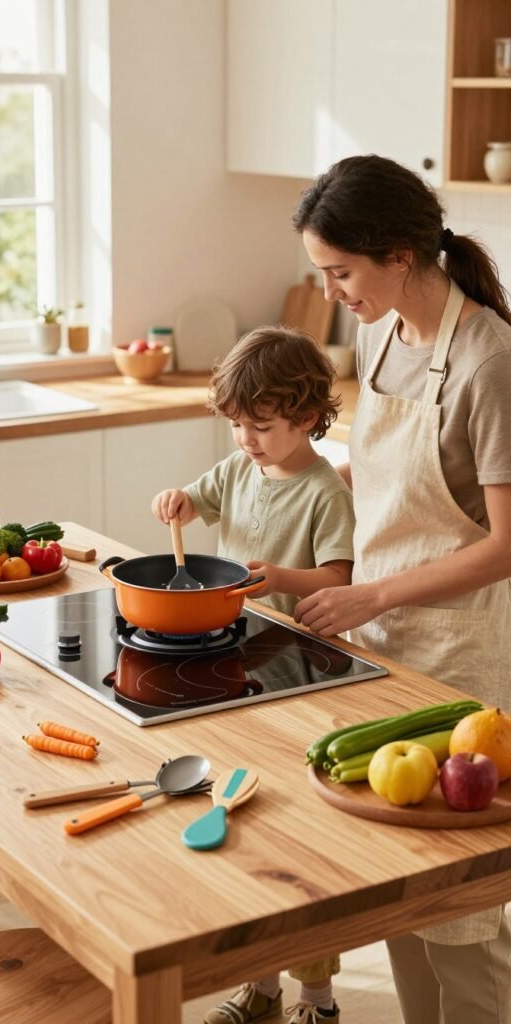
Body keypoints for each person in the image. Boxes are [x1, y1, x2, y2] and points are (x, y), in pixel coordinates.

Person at [292, 154, 511, 1024]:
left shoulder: (488, 361)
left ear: (395, 254)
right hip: (379, 644)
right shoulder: (378, 332)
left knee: (464, 909)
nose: (331, 290)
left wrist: (373, 596)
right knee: (399, 886)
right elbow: (378, 478)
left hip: (459, 651)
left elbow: (505, 545)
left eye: (339, 272)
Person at [152, 325, 354, 1024]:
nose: (245, 439)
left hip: (301, 671)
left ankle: (318, 1000)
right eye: (236, 425)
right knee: (244, 832)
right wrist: (176, 500)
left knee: (297, 844)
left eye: (260, 426)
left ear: (305, 416)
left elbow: (335, 577)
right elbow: (198, 500)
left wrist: (280, 578)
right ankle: (262, 988)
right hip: (238, 662)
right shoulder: (239, 468)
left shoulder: (324, 490)